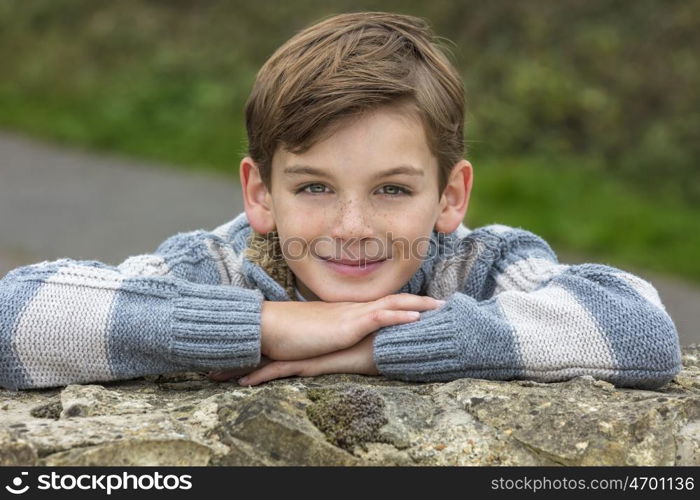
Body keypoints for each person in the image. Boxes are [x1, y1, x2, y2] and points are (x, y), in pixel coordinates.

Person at [0, 12, 681, 391]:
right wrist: (267, 325)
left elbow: (642, 329)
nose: (352, 228)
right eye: (314, 187)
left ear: (451, 196)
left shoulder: (475, 263)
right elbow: (15, 316)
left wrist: (378, 347)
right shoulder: (220, 269)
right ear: (260, 195)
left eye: (392, 189)